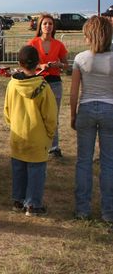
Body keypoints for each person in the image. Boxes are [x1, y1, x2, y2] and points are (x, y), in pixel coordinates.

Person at [4, 46, 57, 216]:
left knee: (18, 168)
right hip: (38, 136)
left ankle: (18, 201)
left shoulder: (12, 84)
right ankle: (33, 204)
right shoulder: (43, 86)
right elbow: (50, 115)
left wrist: (13, 124)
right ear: (38, 63)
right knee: (36, 170)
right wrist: (50, 133)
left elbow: (7, 109)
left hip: (18, 134)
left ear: (19, 63)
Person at [70, 16, 113, 224]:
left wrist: (72, 114)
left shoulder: (80, 58)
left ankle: (82, 209)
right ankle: (108, 212)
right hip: (110, 109)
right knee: (109, 163)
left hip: (86, 107)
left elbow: (74, 91)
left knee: (84, 162)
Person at [28, 14, 69, 158]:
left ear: (53, 26)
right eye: (45, 23)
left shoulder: (59, 44)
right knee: (36, 114)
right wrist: (41, 65)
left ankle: (54, 147)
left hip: (55, 82)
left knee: (53, 116)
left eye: (50, 24)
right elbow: (27, 63)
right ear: (40, 26)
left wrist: (59, 65)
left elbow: (66, 65)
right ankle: (37, 145)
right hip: (38, 81)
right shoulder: (32, 43)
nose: (48, 26)